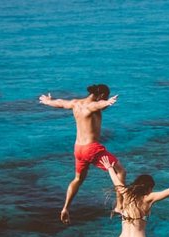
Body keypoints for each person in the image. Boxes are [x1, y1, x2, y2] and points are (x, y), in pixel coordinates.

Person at [39, 84, 126, 224]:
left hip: (78, 149)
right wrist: (108, 102)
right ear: (102, 96)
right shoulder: (92, 106)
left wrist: (48, 101)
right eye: (106, 97)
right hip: (92, 148)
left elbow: (61, 103)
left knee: (78, 179)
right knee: (121, 171)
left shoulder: (76, 103)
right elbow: (98, 106)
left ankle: (65, 208)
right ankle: (119, 207)